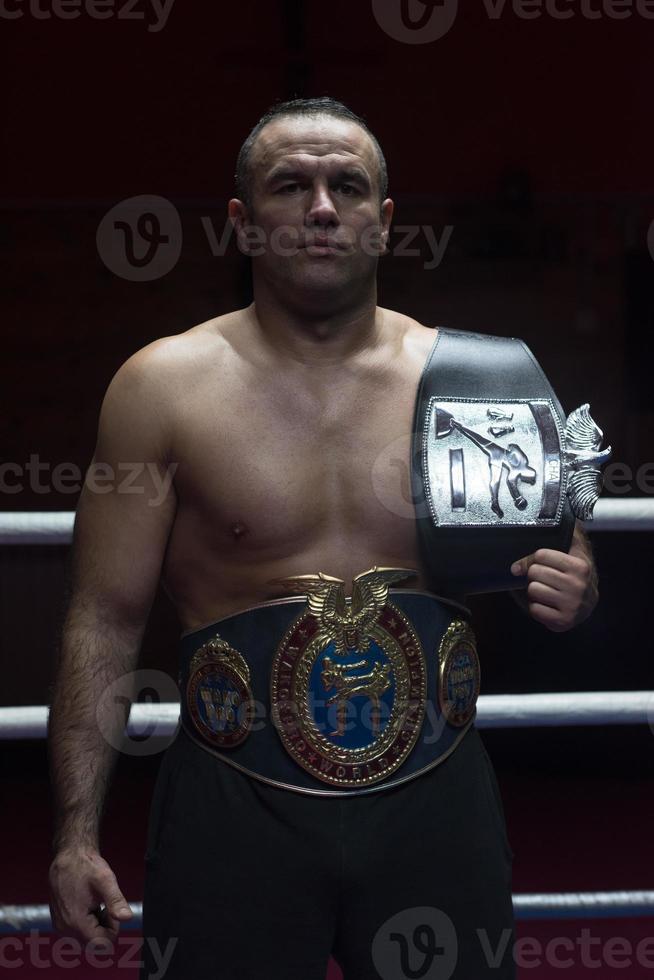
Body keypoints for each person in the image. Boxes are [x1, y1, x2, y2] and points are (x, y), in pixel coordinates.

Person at [47, 97, 599, 979]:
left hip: (436, 799)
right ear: (241, 222)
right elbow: (103, 617)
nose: (320, 209)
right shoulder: (162, 387)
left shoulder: (477, 379)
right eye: (290, 186)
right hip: (234, 807)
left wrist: (577, 587)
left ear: (383, 223)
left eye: (347, 186)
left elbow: (559, 554)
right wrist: (74, 837)